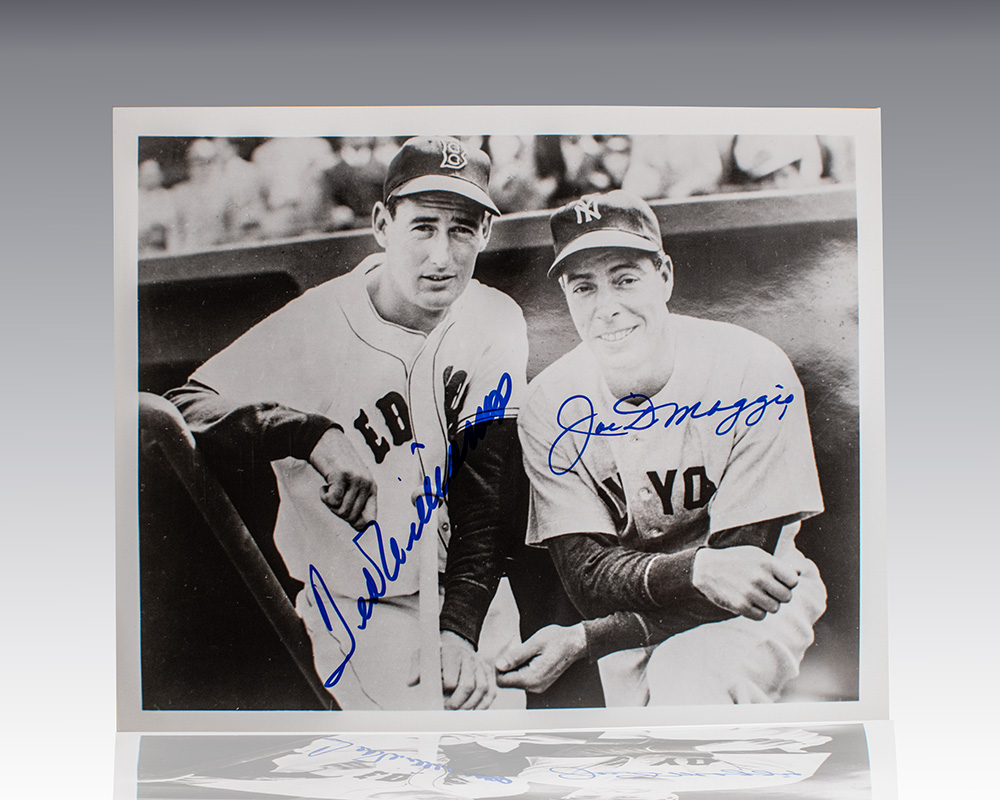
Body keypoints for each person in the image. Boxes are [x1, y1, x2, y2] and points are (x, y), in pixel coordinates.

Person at [165, 136, 527, 711]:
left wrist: (459, 630)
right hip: (358, 608)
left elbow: (486, 490)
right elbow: (183, 404)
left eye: (461, 229)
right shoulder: (317, 321)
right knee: (411, 750)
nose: (442, 255)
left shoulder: (494, 319)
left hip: (472, 597)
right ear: (382, 224)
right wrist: (307, 433)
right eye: (423, 227)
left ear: (485, 232)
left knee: (495, 753)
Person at [498, 190, 826, 706]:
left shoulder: (750, 368)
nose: (607, 307)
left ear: (665, 276)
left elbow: (743, 575)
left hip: (763, 604)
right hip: (629, 621)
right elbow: (588, 578)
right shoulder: (549, 401)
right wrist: (695, 569)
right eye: (584, 287)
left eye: (625, 279)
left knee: (685, 683)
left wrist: (589, 638)